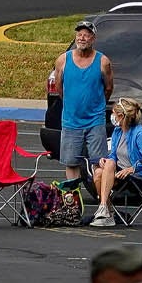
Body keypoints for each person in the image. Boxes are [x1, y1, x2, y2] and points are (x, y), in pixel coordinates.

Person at [52, 18, 113, 202]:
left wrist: (96, 106)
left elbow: (108, 88)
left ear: (93, 38)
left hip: (95, 120)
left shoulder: (103, 61)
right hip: (71, 121)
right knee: (71, 162)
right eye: (79, 34)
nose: (82, 38)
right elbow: (59, 87)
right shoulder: (63, 59)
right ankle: (73, 200)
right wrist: (72, 105)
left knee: (98, 162)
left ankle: (102, 201)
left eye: (86, 35)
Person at [92, 97, 142, 225]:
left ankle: (105, 210)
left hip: (137, 175)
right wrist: (105, 159)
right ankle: (106, 211)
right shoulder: (117, 131)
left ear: (121, 116)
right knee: (100, 171)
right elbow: (113, 155)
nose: (112, 117)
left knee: (107, 167)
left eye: (114, 114)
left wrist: (132, 169)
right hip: (119, 171)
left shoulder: (140, 133)